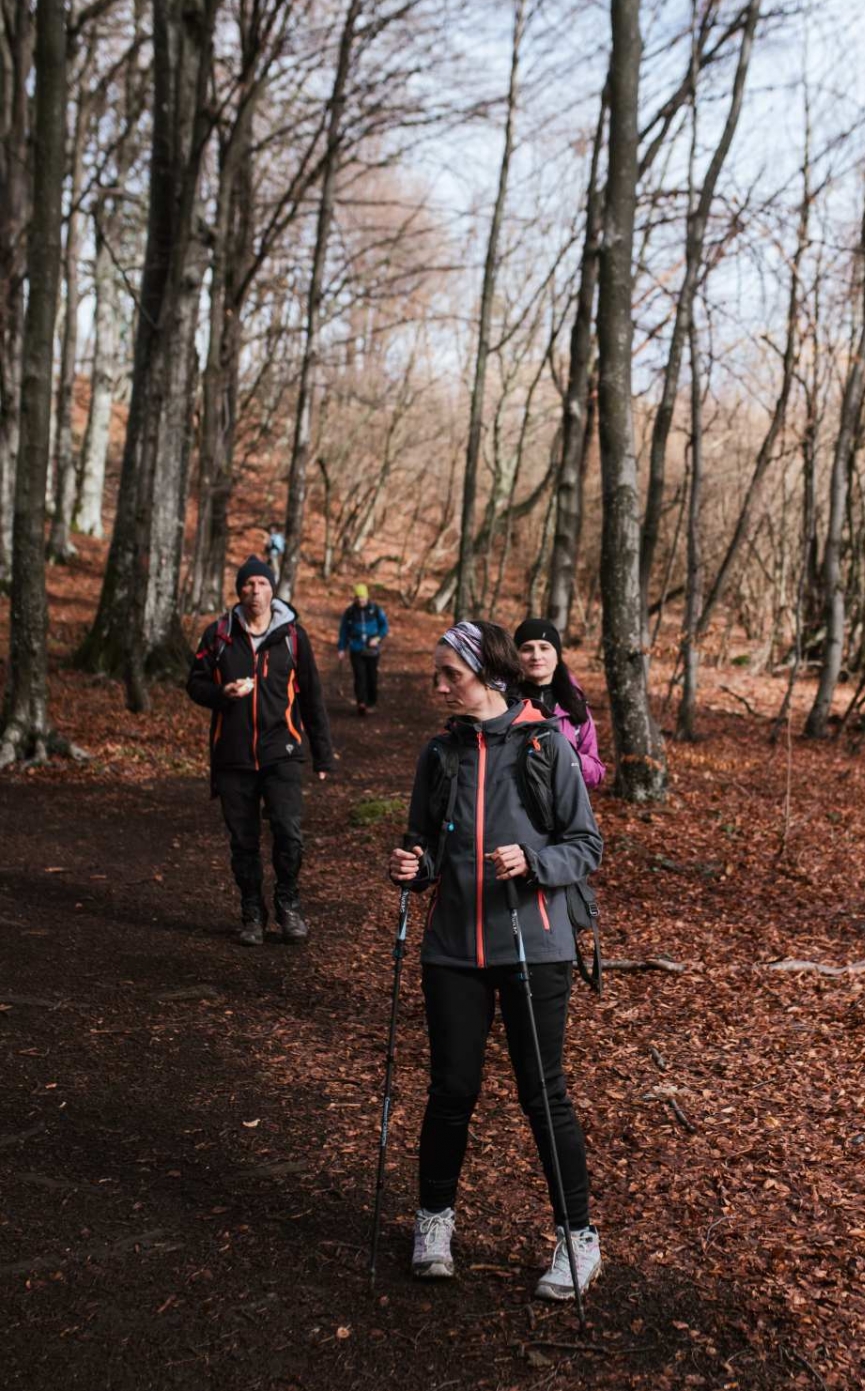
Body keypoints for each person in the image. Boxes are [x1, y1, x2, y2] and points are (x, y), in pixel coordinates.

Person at [388, 620, 603, 1300]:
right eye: (437, 671)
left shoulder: (546, 744)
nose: (439, 684)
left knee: (544, 1094)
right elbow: (421, 846)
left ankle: (579, 1239)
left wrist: (534, 860)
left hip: (534, 945)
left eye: (449, 671)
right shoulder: (440, 752)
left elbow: (585, 846)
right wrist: (410, 867)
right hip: (452, 948)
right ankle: (434, 1222)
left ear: (485, 671)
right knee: (452, 1089)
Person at [187, 555, 335, 946]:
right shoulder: (218, 634)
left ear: (273, 590)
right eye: (248, 585)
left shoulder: (292, 637)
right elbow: (195, 684)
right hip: (232, 756)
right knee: (243, 841)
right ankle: (252, 911)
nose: (255, 591)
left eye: (262, 584)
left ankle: (288, 903)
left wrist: (323, 753)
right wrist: (222, 693)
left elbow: (312, 696)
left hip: (282, 751)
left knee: (288, 833)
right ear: (239, 591)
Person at [514, 618, 606, 790]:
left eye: (544, 647)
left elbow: (596, 773)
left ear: (557, 656)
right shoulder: (504, 703)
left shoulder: (574, 705)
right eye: (527, 649)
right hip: (513, 808)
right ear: (516, 657)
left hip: (563, 809)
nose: (536, 656)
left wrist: (569, 759)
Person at [337, 583, 388, 716]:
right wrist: (341, 648)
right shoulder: (350, 612)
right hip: (356, 648)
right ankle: (361, 702)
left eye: (363, 597)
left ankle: (371, 701)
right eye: (358, 597)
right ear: (355, 598)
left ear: (367, 597)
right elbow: (343, 631)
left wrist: (377, 638)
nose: (361, 600)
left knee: (372, 676)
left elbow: (384, 627)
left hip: (372, 650)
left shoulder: (375, 610)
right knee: (359, 676)